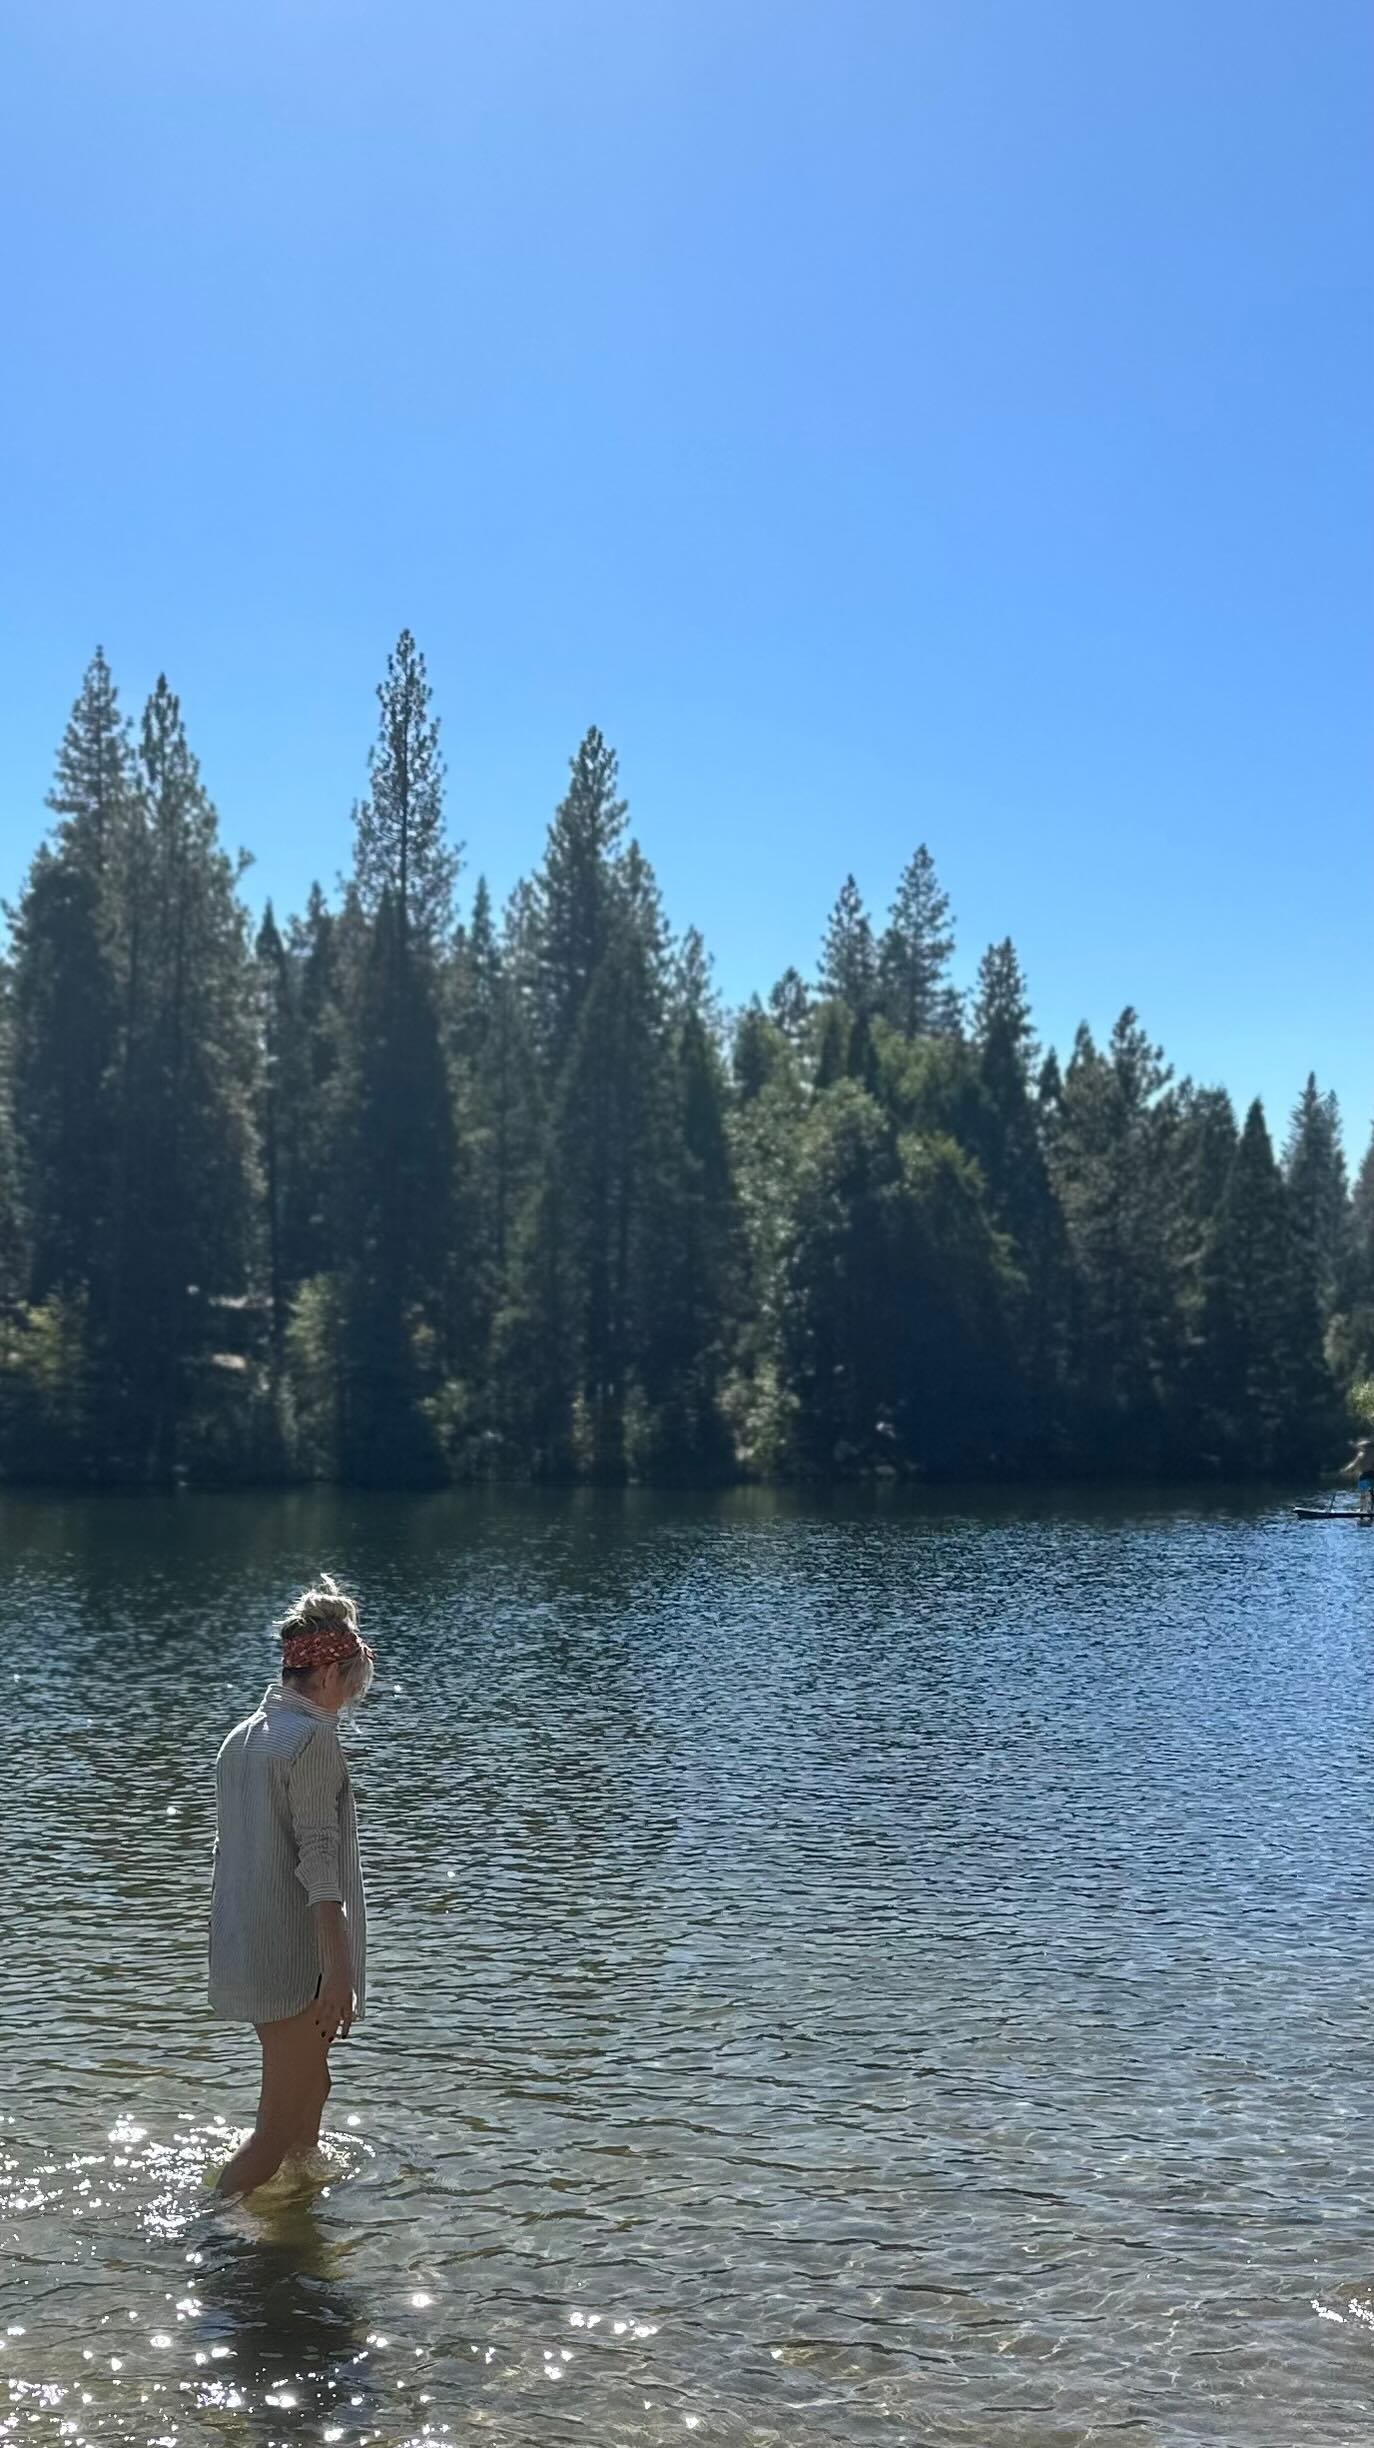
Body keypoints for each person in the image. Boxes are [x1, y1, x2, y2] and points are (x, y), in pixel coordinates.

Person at [208, 1575, 373, 2199]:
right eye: (353, 1686)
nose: (350, 1701)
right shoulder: (312, 1738)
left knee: (313, 2084)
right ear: (329, 1674)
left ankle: (299, 2201)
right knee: (274, 2128)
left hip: (245, 1943)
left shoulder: (242, 1739)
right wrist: (339, 1972)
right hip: (296, 1958)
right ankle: (208, 2234)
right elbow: (319, 1865)